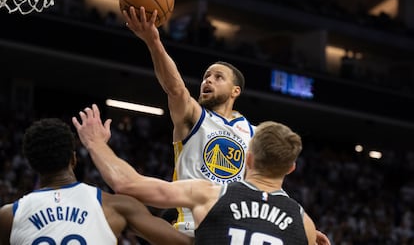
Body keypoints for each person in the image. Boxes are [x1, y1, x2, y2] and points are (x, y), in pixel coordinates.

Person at [122, 6, 331, 245]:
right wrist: (153, 41)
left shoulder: (255, 134)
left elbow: (268, 183)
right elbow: (176, 88)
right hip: (187, 226)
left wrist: (300, 227)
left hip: (227, 229)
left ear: (235, 91)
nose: (208, 80)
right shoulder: (194, 116)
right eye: (205, 76)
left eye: (217, 77)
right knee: (125, 210)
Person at [72, 104, 317, 245]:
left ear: (248, 158)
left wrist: (95, 143)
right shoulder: (304, 223)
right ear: (290, 168)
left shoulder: (209, 194)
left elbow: (126, 183)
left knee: (129, 212)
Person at [0, 118, 192, 245]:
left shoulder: (8, 216)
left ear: (32, 165)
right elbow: (182, 243)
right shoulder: (114, 206)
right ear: (74, 159)